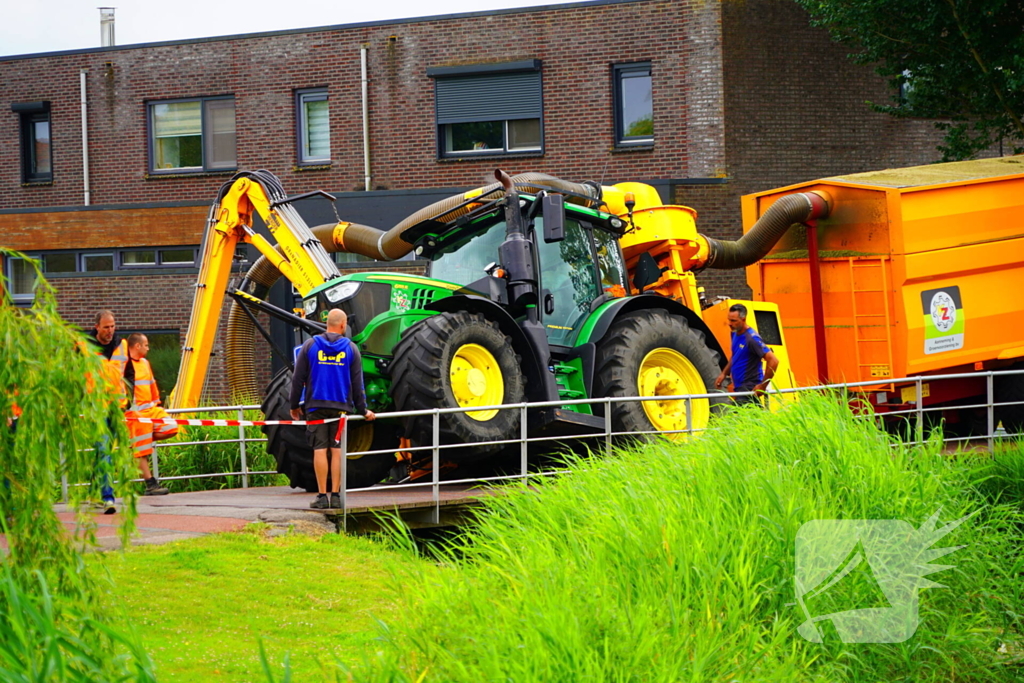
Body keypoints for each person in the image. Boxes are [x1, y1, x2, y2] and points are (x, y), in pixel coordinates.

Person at [289, 309, 376, 509]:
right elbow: (357, 384)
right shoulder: (351, 349)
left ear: (326, 323)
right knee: (335, 451)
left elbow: (297, 379)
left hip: (315, 406)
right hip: (340, 409)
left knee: (319, 449)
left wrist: (294, 406)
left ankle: (321, 496)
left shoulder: (309, 346)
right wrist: (363, 411)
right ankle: (336, 496)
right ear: (343, 325)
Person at [87, 310, 129, 514]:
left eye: (113, 326)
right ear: (97, 327)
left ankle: (95, 494)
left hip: (117, 407)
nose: (110, 330)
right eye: (106, 327)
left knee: (103, 452)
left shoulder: (122, 345)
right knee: (104, 450)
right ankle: (108, 497)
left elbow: (129, 374)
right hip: (96, 407)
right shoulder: (85, 347)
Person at [124, 333, 177, 495]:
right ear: (137, 346)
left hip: (151, 410)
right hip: (135, 414)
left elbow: (152, 384)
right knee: (142, 446)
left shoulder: (145, 363)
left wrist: (156, 403)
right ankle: (150, 484)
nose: (148, 348)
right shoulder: (123, 364)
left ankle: (135, 443)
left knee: (171, 427)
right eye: (146, 345)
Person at [715, 303, 780, 407]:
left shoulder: (752, 339)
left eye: (733, 321)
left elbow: (774, 361)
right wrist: (724, 373)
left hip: (749, 387)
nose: (729, 324)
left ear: (743, 319)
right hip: (739, 387)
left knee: (736, 419)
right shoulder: (734, 333)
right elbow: (736, 355)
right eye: (729, 320)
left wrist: (762, 386)